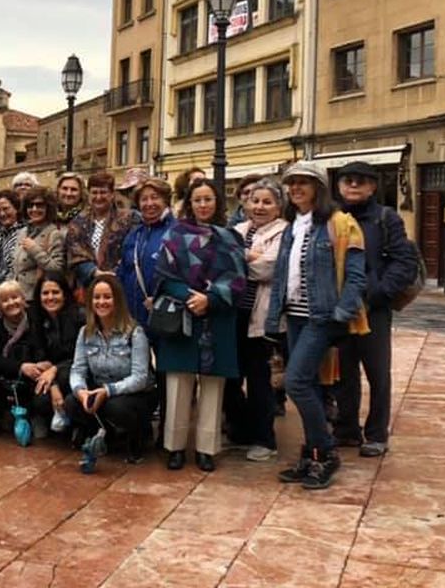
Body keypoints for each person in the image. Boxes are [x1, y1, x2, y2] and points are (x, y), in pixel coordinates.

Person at [266, 161, 367, 490]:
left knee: (295, 382)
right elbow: (284, 274)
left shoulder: (340, 223)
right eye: (291, 183)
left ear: (319, 188)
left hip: (321, 317)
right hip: (294, 315)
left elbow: (355, 273)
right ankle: (311, 454)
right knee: (309, 385)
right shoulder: (293, 225)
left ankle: (325, 451)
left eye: (303, 183)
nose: (295, 188)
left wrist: (342, 311)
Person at [156, 178, 246, 472]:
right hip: (182, 316)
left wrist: (209, 299)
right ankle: (175, 447)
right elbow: (164, 276)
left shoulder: (230, 237)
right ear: (189, 203)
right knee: (179, 384)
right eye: (198, 200)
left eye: (208, 199)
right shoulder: (174, 235)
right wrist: (190, 297)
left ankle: (207, 449)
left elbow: (238, 280)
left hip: (216, 318)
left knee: (212, 386)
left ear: (217, 202)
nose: (203, 205)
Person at [332, 161, 419, 458]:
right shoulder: (332, 217)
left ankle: (376, 434)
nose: (353, 186)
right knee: (343, 371)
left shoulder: (386, 218)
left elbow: (403, 261)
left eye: (360, 181)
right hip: (341, 307)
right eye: (347, 181)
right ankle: (346, 429)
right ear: (339, 186)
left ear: (372, 186)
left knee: (377, 372)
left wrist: (379, 293)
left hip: (374, 307)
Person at [65, 274, 155, 464]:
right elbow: (77, 370)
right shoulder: (85, 332)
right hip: (99, 389)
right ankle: (105, 435)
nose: (101, 302)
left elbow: (139, 378)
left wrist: (108, 391)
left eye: (107, 297)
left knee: (116, 407)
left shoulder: (135, 333)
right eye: (97, 297)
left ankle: (137, 438)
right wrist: (81, 391)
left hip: (133, 395)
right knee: (72, 402)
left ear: (118, 300)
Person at [229, 178, 289, 462]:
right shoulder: (237, 230)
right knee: (230, 377)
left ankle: (265, 439)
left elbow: (268, 269)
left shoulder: (283, 232)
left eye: (267, 202)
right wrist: (249, 256)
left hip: (261, 317)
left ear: (278, 207)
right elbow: (222, 262)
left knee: (259, 380)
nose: (260, 207)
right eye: (255, 201)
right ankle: (242, 431)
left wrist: (240, 258)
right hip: (234, 314)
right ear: (245, 204)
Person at [0, 281, 48, 436]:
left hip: (36, 376)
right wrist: (21, 367)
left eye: (14, 297)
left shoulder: (35, 320)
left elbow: (43, 348)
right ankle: (11, 413)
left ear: (23, 299)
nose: (11, 303)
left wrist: (38, 366)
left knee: (42, 399)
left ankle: (37, 415)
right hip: (11, 378)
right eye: (5, 300)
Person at [116, 177, 175, 332]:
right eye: (144, 199)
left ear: (166, 200)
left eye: (155, 198)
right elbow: (123, 272)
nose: (149, 204)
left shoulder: (177, 232)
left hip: (166, 318)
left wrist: (159, 298)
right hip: (134, 320)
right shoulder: (134, 235)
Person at [29, 272, 84, 433]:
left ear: (65, 294)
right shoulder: (37, 319)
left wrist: (54, 370)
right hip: (50, 375)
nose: (50, 297)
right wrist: (53, 385)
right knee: (41, 396)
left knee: (66, 387)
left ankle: (78, 425)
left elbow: (80, 358)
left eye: (55, 292)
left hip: (75, 372)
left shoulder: (79, 317)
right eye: (45, 293)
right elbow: (40, 358)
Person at [65, 172, 134, 289]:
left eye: (103, 192)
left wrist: (115, 272)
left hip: (121, 285)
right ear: (88, 194)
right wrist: (94, 272)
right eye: (94, 193)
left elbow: (132, 249)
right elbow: (75, 253)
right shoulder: (78, 222)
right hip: (89, 286)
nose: (98, 197)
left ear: (112, 194)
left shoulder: (129, 218)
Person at [12, 186, 65, 301]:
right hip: (19, 297)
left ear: (48, 208)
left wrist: (34, 250)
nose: (34, 209)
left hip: (37, 297)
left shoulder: (54, 234)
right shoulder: (22, 232)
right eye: (30, 205)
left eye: (39, 205)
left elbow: (57, 268)